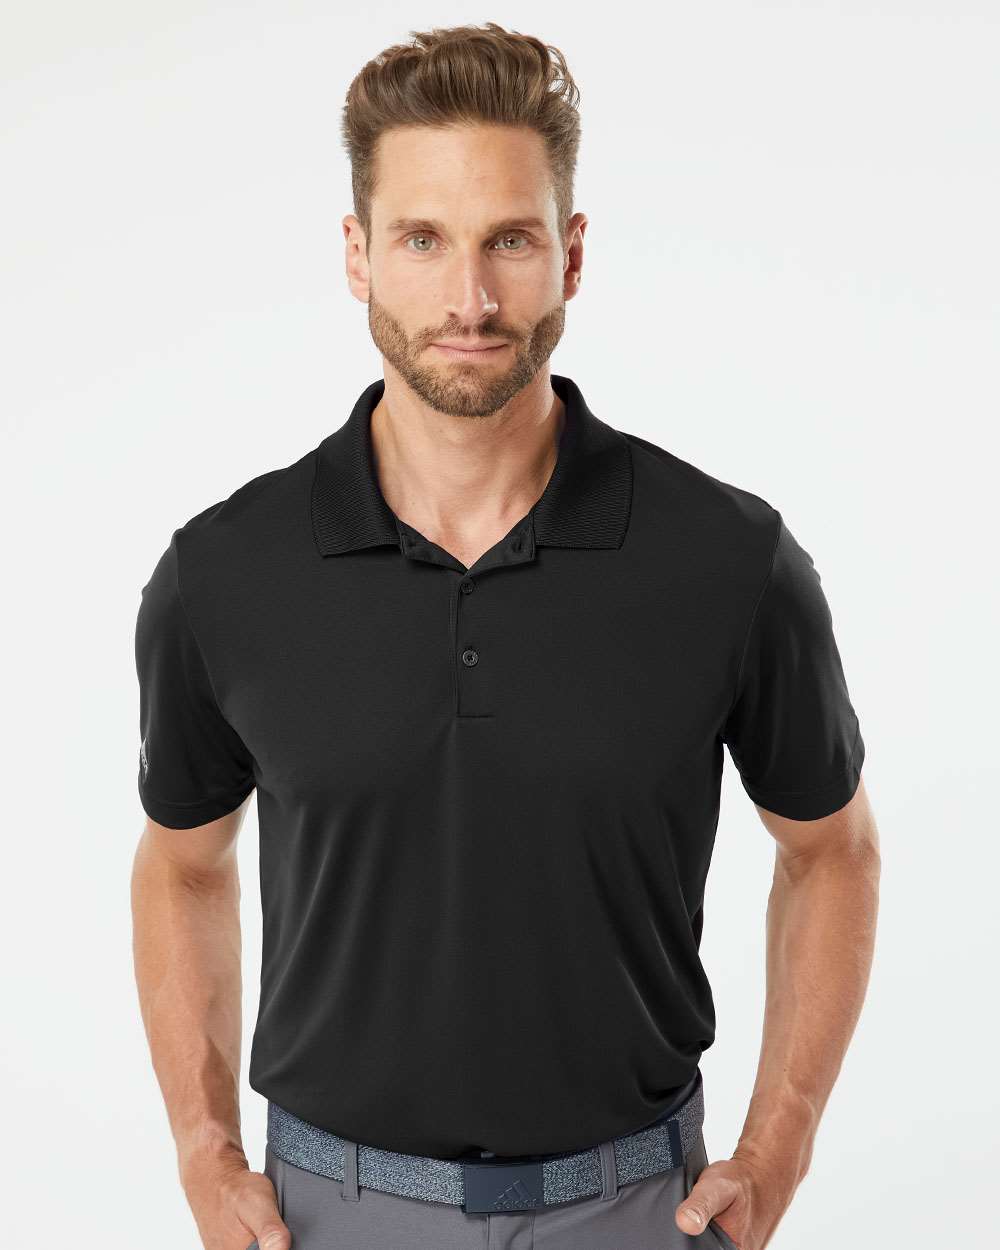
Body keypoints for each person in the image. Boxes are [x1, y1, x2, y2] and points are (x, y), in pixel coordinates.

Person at [131, 21, 880, 1250]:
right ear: (358, 254)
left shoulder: (728, 560)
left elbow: (831, 849)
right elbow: (180, 862)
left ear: (570, 253)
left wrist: (779, 1143)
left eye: (509, 241)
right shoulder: (224, 573)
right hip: (329, 1213)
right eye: (423, 239)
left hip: (637, 1206)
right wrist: (205, 1152)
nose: (469, 300)